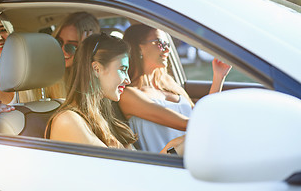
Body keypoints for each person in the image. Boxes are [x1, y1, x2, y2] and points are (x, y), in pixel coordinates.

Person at [45, 33, 185, 155]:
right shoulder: (68, 120)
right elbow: (121, 176)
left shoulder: (105, 119)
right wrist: (174, 152)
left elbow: (136, 169)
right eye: (123, 69)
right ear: (96, 69)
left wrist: (175, 145)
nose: (128, 80)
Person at [118, 24, 232, 152]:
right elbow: (189, 124)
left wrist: (218, 76)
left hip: (197, 153)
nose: (167, 50)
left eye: (168, 44)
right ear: (139, 48)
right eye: (161, 43)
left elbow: (200, 117)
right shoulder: (128, 95)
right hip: (169, 164)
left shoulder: (169, 84)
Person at [21, 12, 100, 101]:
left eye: (71, 46)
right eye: (59, 42)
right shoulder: (43, 77)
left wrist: (85, 61)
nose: (62, 50)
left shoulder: (102, 76)